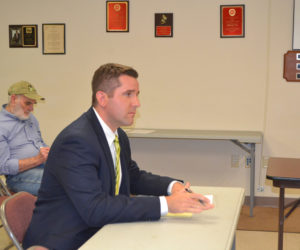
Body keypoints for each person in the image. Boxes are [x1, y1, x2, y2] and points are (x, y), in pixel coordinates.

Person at [23, 63, 214, 250]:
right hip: (68, 238)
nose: (137, 103)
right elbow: (95, 209)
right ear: (102, 98)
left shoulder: (117, 134)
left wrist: (173, 187)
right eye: (128, 94)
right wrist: (166, 204)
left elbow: (132, 177)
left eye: (137, 95)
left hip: (103, 228)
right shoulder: (76, 141)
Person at [0, 81, 50, 196]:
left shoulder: (30, 118)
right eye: (27, 103)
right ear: (13, 99)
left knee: (78, 169)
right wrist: (37, 159)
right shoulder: (1, 125)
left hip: (42, 165)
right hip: (19, 176)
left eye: (33, 103)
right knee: (63, 181)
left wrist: (49, 152)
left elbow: (40, 142)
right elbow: (2, 166)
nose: (31, 108)